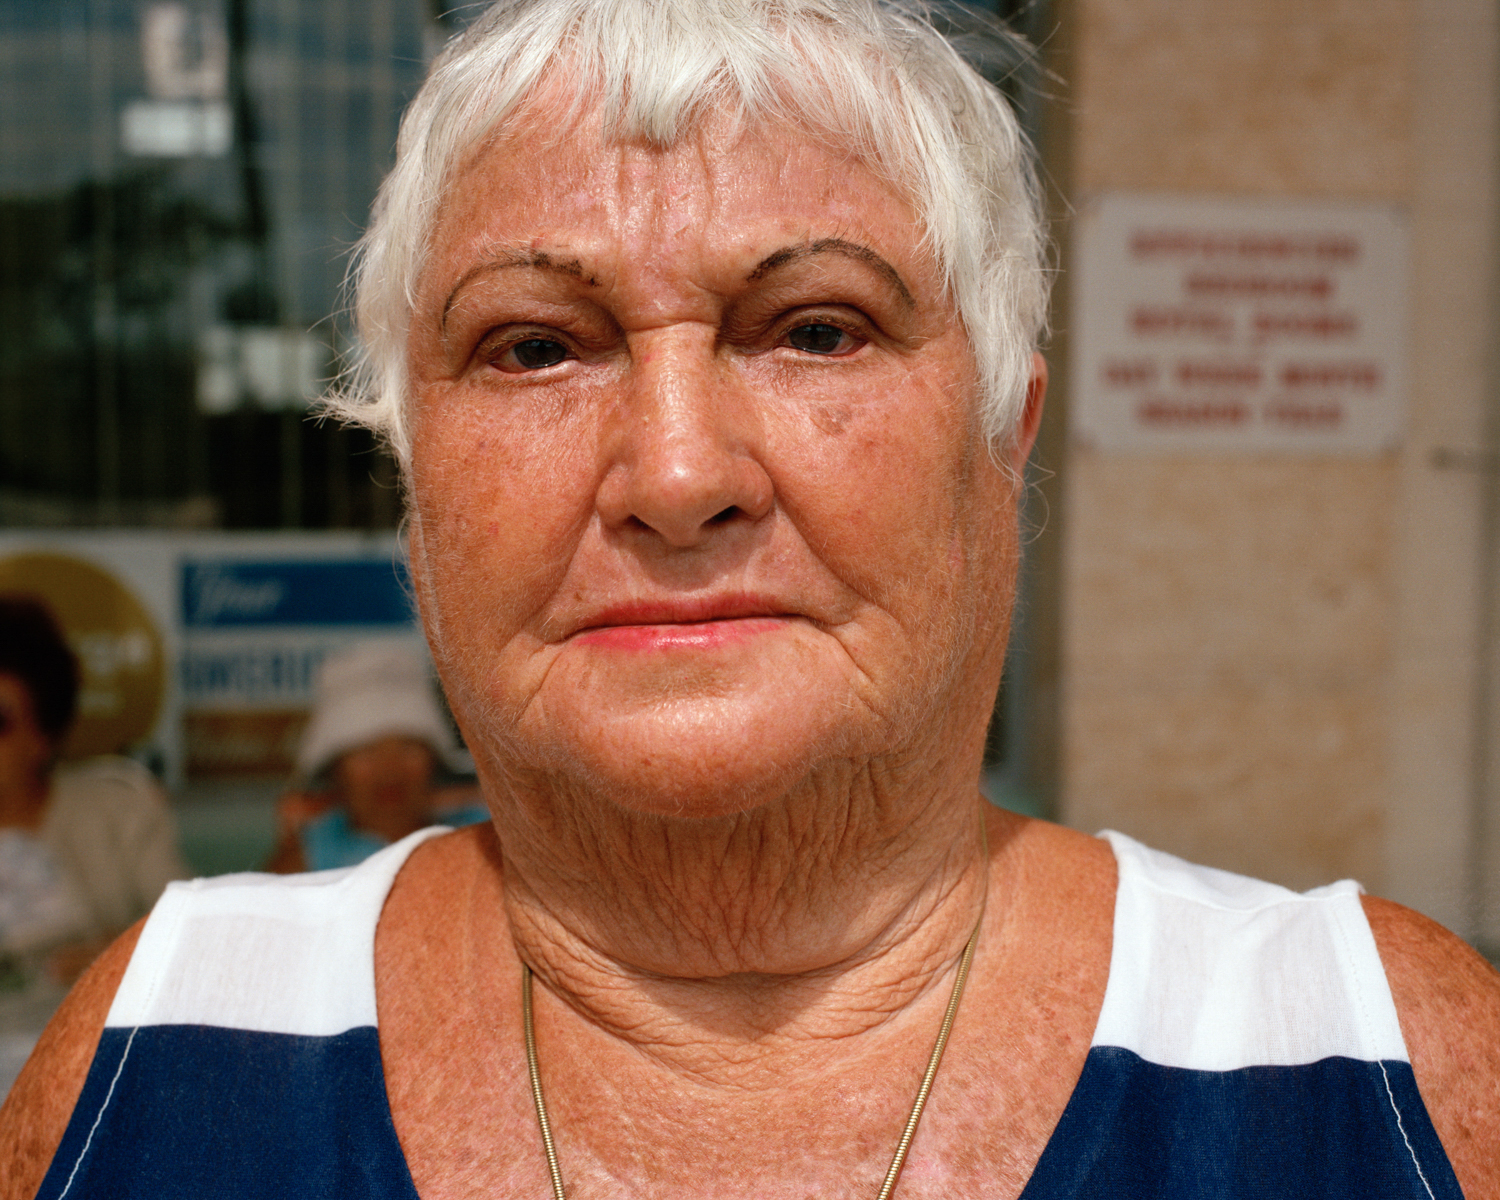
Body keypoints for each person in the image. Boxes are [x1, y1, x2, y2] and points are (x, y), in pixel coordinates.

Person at [4, 1, 1499, 1195]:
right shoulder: (152, 1061)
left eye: (817, 329)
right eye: (534, 347)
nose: (674, 472)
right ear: (411, 478)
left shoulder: (1383, 1068)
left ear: (1006, 434)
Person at [0, 595, 186, 991]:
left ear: (43, 734)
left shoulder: (122, 811)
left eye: (0, 721)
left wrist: (105, 956)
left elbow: (187, 935)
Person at [263, 641, 487, 873]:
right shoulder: (302, 863)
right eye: (366, 752)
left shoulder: (484, 840)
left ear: (434, 760)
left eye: (408, 747)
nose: (390, 770)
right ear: (334, 768)